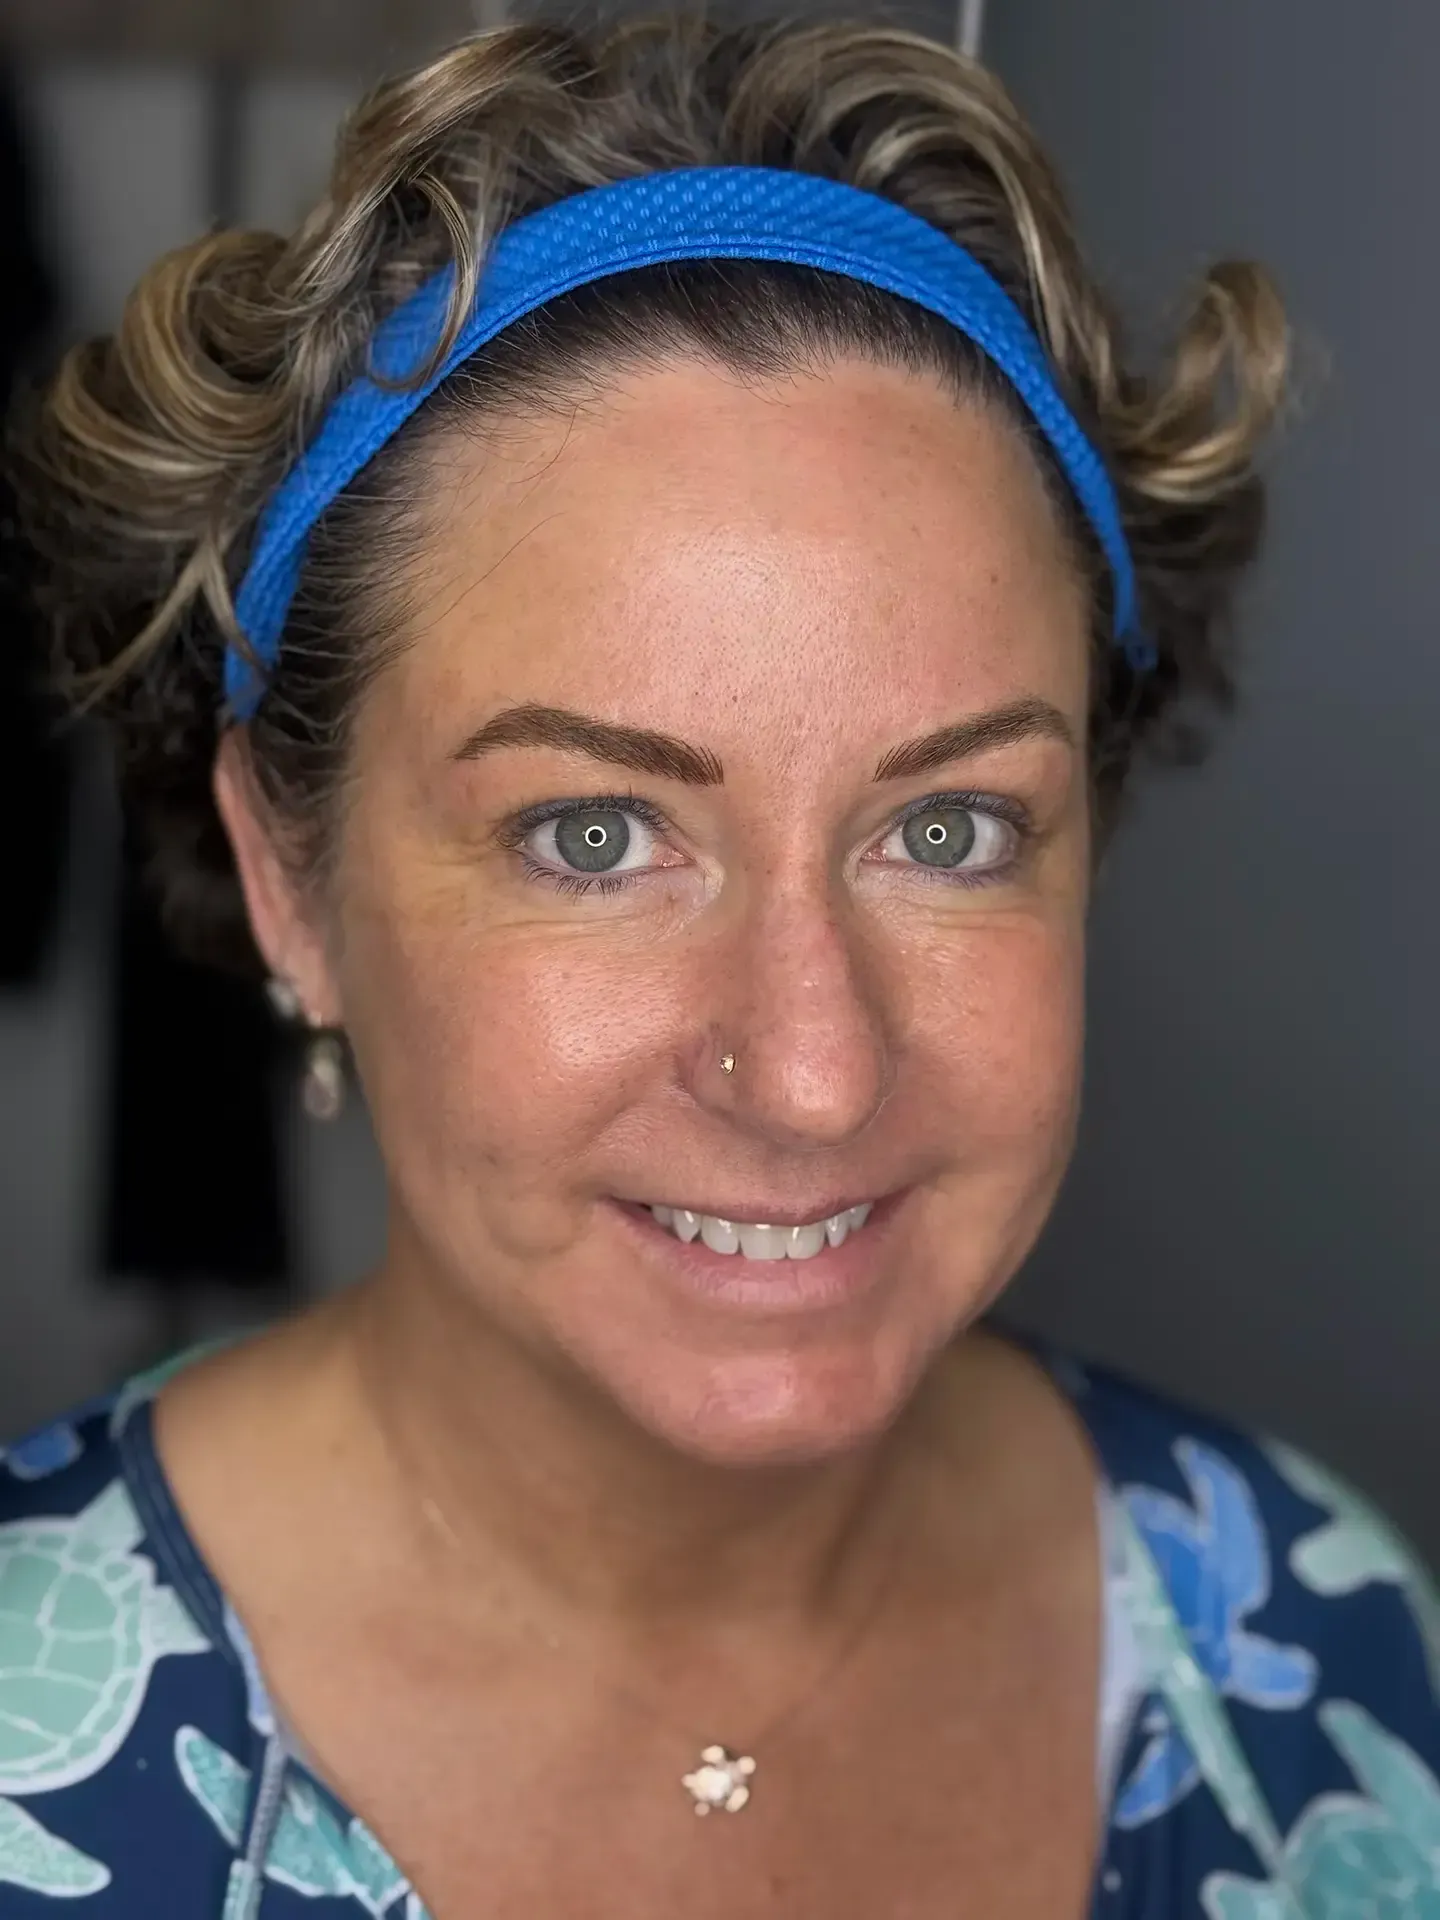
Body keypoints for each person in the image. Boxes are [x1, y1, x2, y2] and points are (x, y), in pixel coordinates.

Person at [3, 17, 1437, 1918]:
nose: (817, 1066)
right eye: (592, 833)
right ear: (290, 877)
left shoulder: (1330, 1654)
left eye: (949, 830)